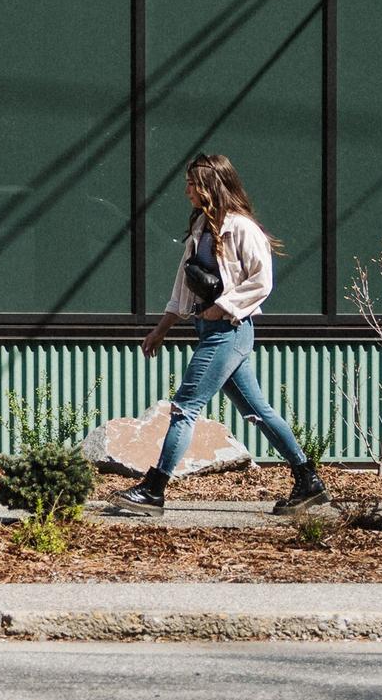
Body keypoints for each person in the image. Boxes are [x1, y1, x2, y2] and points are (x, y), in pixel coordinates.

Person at [107, 152, 329, 516]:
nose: (187, 191)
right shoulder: (201, 228)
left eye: (192, 184)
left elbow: (262, 282)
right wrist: (161, 329)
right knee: (258, 411)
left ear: (211, 186)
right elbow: (183, 285)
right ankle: (308, 480)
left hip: (230, 330)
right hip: (211, 329)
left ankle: (154, 489)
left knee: (185, 407)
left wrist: (222, 307)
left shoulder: (241, 228)